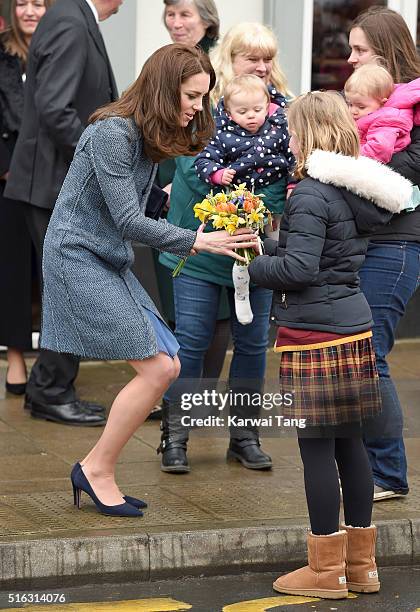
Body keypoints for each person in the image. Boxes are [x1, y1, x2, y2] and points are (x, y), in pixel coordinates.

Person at [40, 43, 259, 517]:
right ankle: (96, 470)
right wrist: (197, 241)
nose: (198, 107)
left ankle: (95, 468)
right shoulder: (113, 132)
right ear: (165, 90)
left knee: (171, 365)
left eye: (203, 98)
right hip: (77, 257)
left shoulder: (142, 134)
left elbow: (136, 205)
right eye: (192, 96)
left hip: (107, 259)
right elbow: (126, 220)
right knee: (160, 368)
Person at [249, 91, 410, 599]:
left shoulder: (311, 193)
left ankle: (323, 571)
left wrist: (251, 266)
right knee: (350, 446)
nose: (289, 138)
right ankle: (361, 567)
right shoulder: (350, 192)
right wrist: (268, 243)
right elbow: (324, 252)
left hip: (314, 336)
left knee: (316, 450)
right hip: (352, 329)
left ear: (311, 134)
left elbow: (300, 269)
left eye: (293, 130)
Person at [158, 22, 292, 473]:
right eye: (249, 58)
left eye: (267, 59)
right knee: (192, 341)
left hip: (252, 249)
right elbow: (194, 175)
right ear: (227, 61)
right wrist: (237, 205)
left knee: (253, 344)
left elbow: (280, 185)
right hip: (199, 246)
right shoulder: (200, 112)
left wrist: (255, 209)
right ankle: (175, 436)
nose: (260, 67)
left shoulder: (281, 115)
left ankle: (244, 436)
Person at [4, 0, 123, 426]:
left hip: (52, 183)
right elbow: (56, 109)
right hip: (52, 185)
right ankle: (51, 389)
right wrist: (103, 156)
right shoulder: (71, 21)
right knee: (70, 287)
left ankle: (47, 388)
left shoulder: (71, 17)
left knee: (67, 285)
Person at [348, 6, 420, 501]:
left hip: (397, 245)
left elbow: (409, 168)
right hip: (365, 241)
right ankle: (372, 469)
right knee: (357, 354)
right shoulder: (365, 104)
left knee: (369, 355)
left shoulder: (410, 108)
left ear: (388, 53)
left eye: (359, 51)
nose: (350, 59)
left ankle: (389, 475)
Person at [150, 0, 227, 421]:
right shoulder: (165, 65)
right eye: (171, 14)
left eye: (186, 15)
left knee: (211, 313)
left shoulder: (219, 65)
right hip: (167, 199)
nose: (176, 23)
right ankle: (176, 399)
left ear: (207, 21)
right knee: (178, 307)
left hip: (203, 194)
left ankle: (194, 402)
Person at [195, 74, 293, 324]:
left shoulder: (279, 126)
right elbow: (203, 160)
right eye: (242, 111)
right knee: (245, 251)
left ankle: (285, 295)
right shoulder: (221, 132)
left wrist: (293, 183)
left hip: (275, 201)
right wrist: (217, 174)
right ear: (227, 110)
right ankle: (242, 294)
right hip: (243, 205)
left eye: (257, 109)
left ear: (268, 103)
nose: (251, 116)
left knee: (282, 247)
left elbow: (293, 156)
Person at [0, 0, 52, 395]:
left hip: (51, 177)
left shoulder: (59, 46)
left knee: (53, 270)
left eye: (39, 3)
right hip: (8, 180)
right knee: (14, 271)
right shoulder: (2, 52)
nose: (30, 11)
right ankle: (15, 357)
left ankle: (53, 362)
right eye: (23, 3)